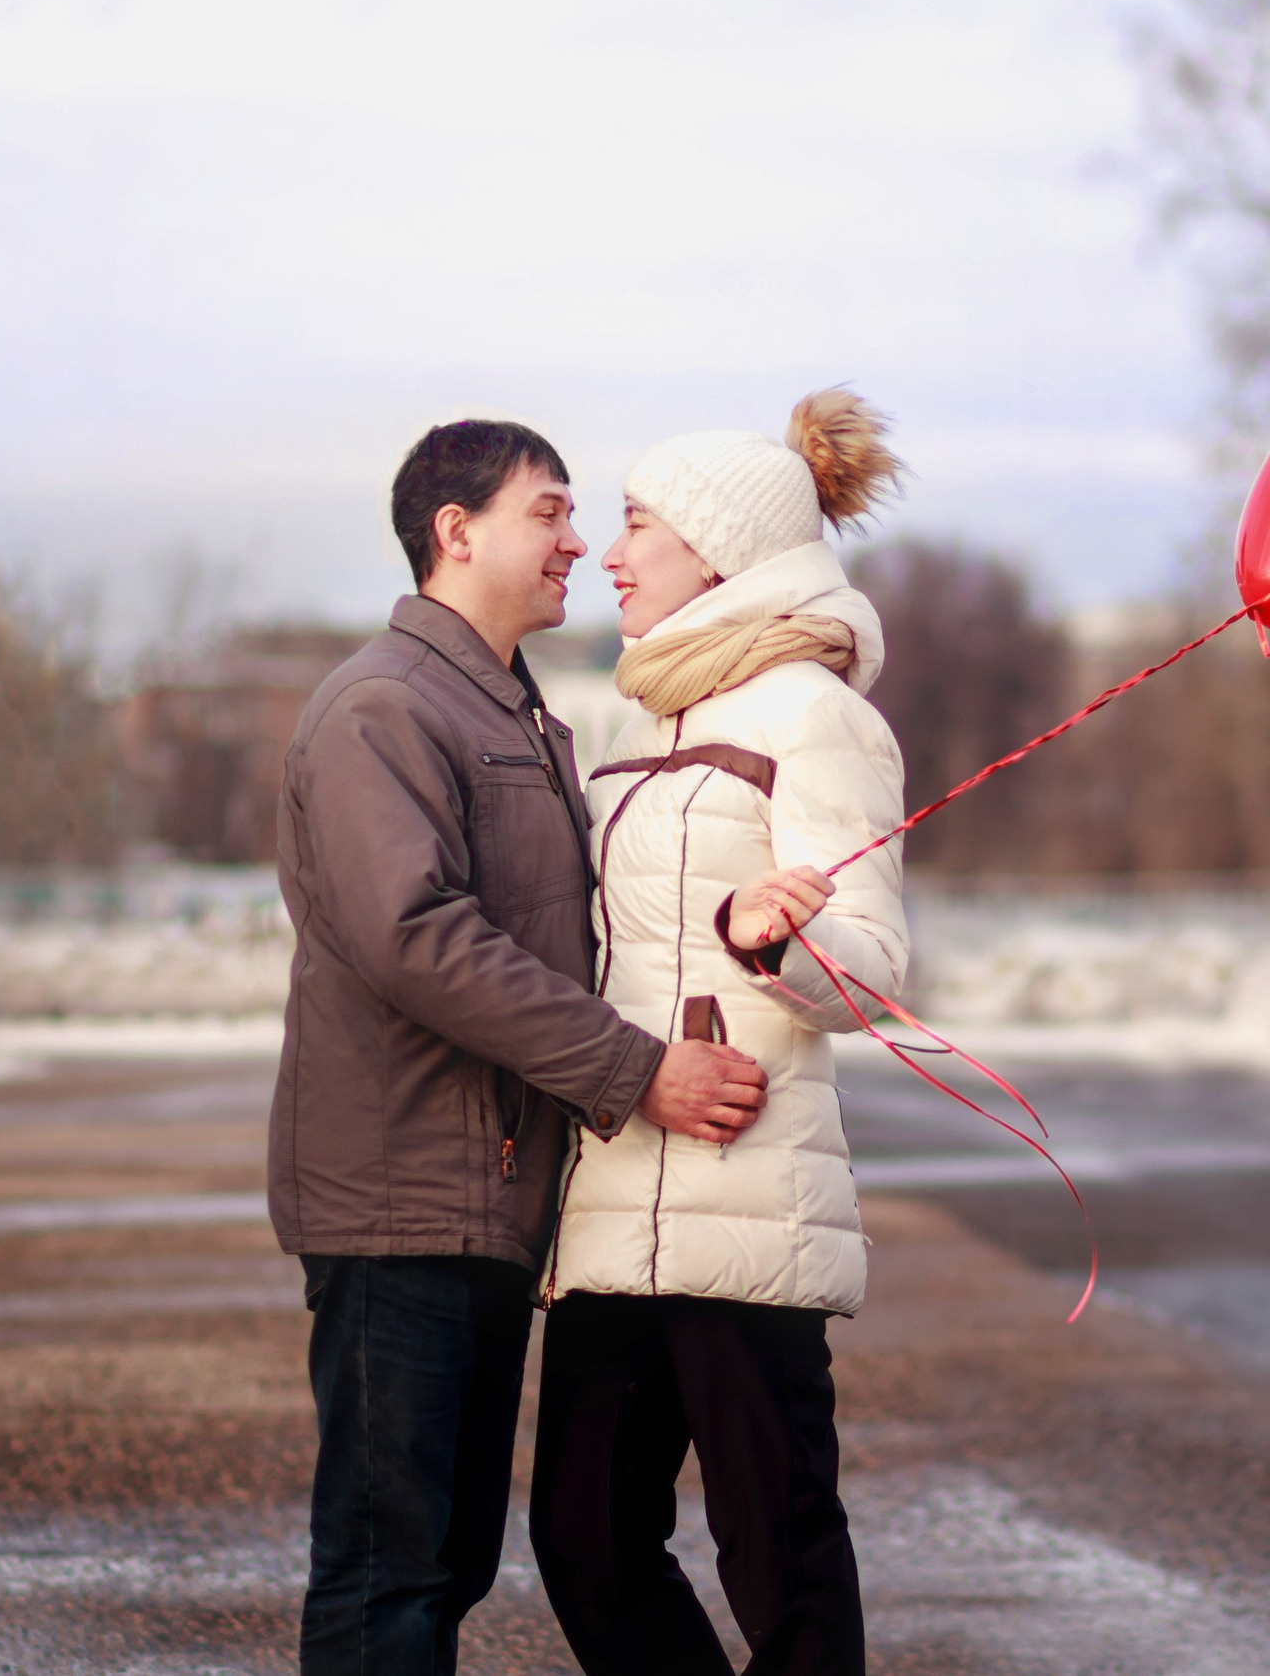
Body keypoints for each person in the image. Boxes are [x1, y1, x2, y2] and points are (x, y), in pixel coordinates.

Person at [268, 418, 771, 1676]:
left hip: (484, 1197)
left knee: (437, 1562)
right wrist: (632, 1068)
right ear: (456, 531)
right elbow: (414, 936)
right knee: (390, 1570)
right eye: (548, 512)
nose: (577, 541)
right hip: (402, 1200)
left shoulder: (518, 717)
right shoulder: (384, 706)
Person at [529, 391, 910, 1676]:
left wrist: (769, 934)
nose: (611, 554)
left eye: (636, 524)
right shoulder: (645, 719)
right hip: (619, 1177)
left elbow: (869, 967)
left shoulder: (816, 715)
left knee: (782, 1557)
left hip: (747, 1188)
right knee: (582, 1539)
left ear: (720, 548)